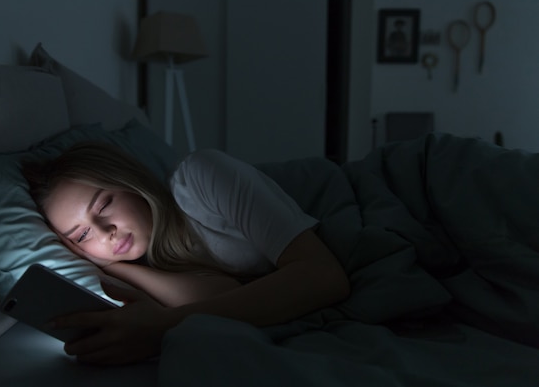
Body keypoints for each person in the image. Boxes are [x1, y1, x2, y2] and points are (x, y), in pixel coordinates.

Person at [22, 142, 350, 366]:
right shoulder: (153, 260)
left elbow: (323, 276)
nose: (106, 231)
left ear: (131, 183)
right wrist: (112, 266)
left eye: (105, 204)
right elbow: (225, 298)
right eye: (82, 234)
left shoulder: (200, 177)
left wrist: (162, 325)